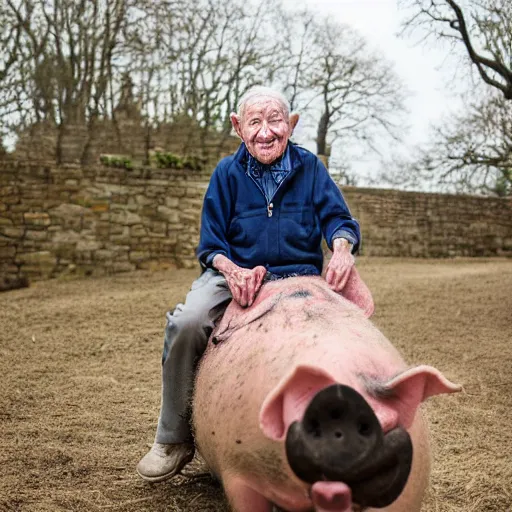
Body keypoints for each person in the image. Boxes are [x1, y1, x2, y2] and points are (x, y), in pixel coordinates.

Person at [136, 85, 363, 482]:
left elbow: (337, 219)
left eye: (275, 120)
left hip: (299, 275)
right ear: (238, 127)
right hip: (233, 273)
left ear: (290, 125)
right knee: (187, 321)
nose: (265, 132)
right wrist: (232, 270)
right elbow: (211, 244)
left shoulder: (310, 168)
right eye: (254, 122)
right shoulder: (226, 172)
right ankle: (172, 437)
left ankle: (348, 436)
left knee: (347, 333)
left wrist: (342, 249)